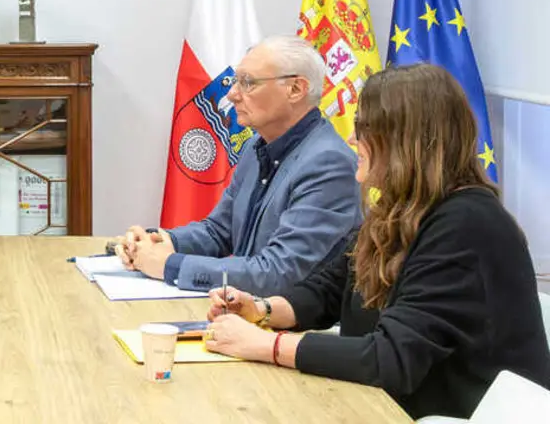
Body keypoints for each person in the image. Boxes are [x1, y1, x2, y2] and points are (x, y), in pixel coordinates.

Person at [202, 63, 550, 419]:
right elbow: (330, 289)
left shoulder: (466, 224)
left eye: (364, 127)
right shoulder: (401, 208)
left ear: (404, 138)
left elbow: (391, 359)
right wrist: (262, 310)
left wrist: (268, 345)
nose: (352, 139)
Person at [118, 35, 360, 295]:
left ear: (295, 89)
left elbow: (278, 272)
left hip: (289, 316)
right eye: (236, 81)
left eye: (248, 83)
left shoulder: (329, 163)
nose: (232, 95)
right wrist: (158, 241)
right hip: (244, 309)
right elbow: (219, 231)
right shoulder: (256, 145)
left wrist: (170, 265)